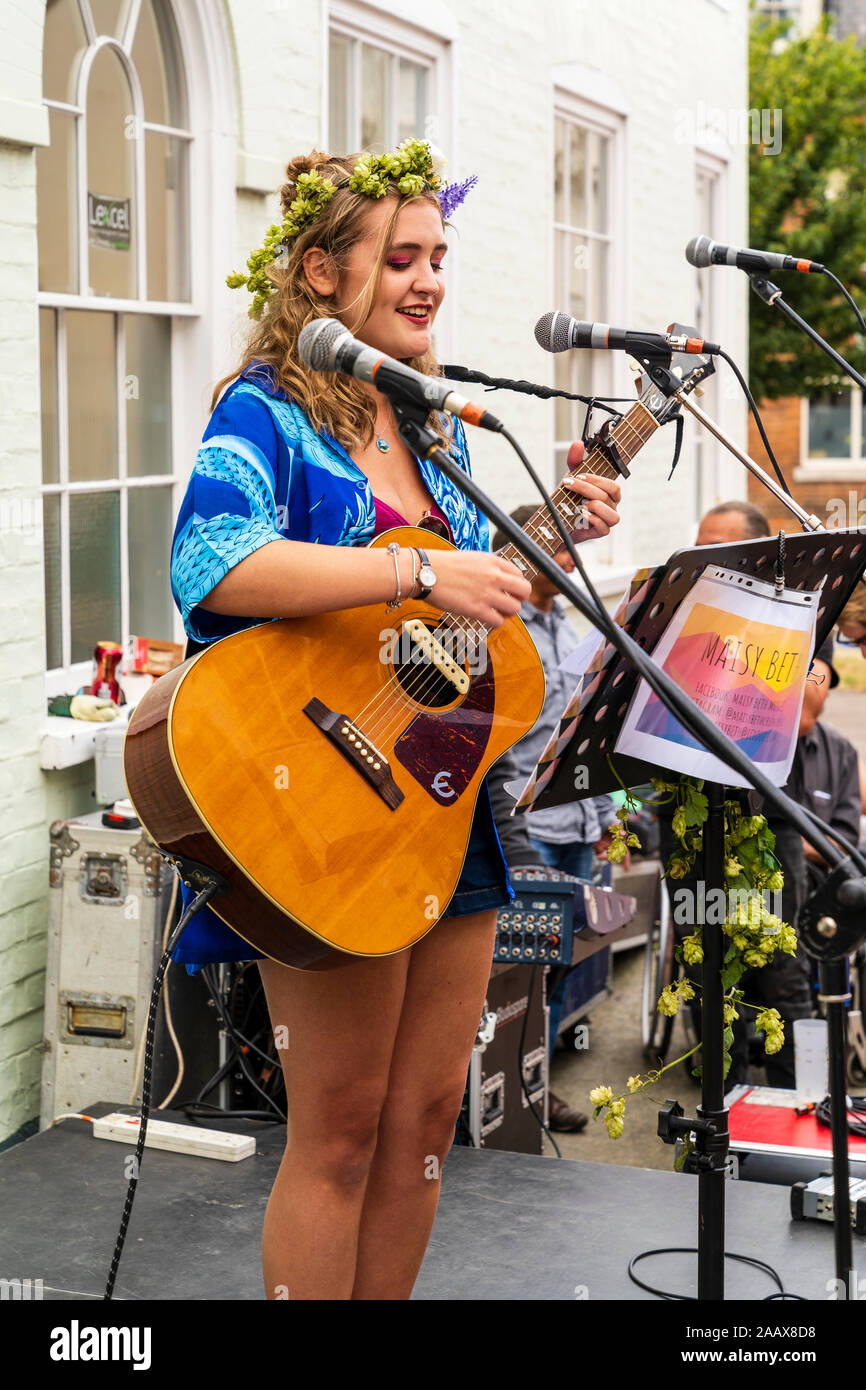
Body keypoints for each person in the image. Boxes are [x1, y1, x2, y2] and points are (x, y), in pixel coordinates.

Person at [167, 141, 622, 1300]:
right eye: (399, 257)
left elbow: (457, 617)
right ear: (319, 273)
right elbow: (212, 562)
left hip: (436, 791)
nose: (427, 280)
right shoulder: (265, 412)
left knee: (425, 1121)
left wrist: (544, 530)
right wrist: (416, 581)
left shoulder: (436, 429)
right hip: (317, 803)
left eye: (436, 258)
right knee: (340, 1130)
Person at [486, 504, 618, 1132]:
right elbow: (499, 747)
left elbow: (586, 730)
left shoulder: (568, 624)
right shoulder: (500, 633)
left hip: (581, 829)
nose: (572, 560)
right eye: (561, 550)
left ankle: (541, 1084)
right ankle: (505, 1092)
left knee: (559, 965)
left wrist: (610, 814)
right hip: (528, 831)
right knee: (518, 977)